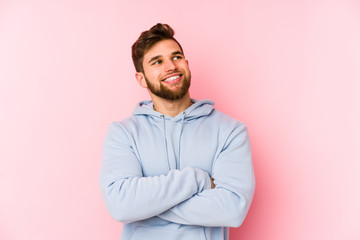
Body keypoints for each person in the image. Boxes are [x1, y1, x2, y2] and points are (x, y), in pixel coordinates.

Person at [99, 23, 255, 240]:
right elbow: (120, 205)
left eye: (176, 57)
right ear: (141, 78)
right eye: (157, 62)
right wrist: (197, 180)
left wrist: (145, 206)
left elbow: (233, 210)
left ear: (186, 64)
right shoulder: (124, 133)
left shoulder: (230, 131)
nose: (170, 66)